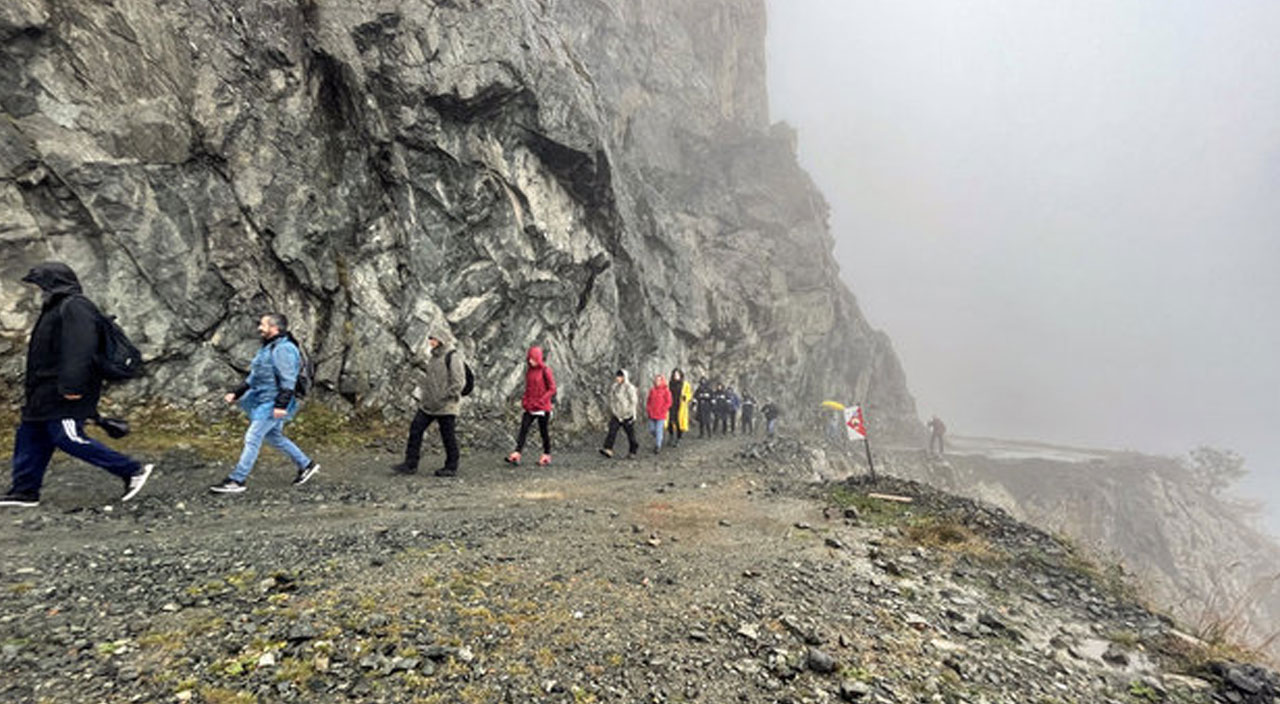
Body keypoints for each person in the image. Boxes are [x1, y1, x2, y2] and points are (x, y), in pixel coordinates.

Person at [1, 262, 154, 507]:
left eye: (40, 284)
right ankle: (24, 491)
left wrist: (73, 386)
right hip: (44, 390)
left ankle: (131, 470)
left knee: (67, 437)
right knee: (31, 433)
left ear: (53, 283)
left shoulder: (75, 306)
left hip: (65, 390)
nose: (37, 289)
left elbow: (80, 349)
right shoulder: (57, 306)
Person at [210, 313, 319, 493]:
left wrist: (281, 405)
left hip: (273, 402)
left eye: (263, 325)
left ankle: (237, 480)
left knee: (253, 437)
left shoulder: (284, 349)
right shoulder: (268, 348)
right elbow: (255, 376)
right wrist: (236, 393)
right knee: (274, 436)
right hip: (264, 400)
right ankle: (306, 464)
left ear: (274, 328)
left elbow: (288, 380)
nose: (260, 328)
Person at [393, 331, 466, 477]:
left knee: (448, 435)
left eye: (433, 338)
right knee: (416, 429)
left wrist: (444, 397)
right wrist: (428, 398)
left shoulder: (453, 356)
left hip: (446, 405)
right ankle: (410, 464)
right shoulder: (433, 357)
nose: (430, 341)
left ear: (441, 340)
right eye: (430, 338)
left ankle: (451, 466)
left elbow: (459, 382)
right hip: (429, 404)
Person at [506, 345, 556, 466]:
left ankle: (546, 454)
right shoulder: (529, 371)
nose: (531, 361)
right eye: (529, 358)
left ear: (538, 358)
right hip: (530, 406)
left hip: (542, 407)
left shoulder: (545, 370)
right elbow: (528, 388)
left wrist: (542, 400)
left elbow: (552, 388)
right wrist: (525, 400)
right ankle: (517, 453)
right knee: (523, 429)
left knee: (543, 431)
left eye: (533, 359)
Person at [599, 369, 638, 459]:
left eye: (620, 376)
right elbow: (612, 399)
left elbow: (633, 402)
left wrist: (631, 413)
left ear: (624, 377)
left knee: (630, 434)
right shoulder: (614, 387)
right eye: (617, 376)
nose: (618, 378)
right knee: (612, 431)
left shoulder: (629, 388)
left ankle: (633, 450)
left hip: (627, 415)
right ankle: (608, 449)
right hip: (617, 413)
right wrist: (614, 410)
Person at [646, 374, 673, 454]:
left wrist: (664, 409)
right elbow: (649, 401)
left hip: (661, 414)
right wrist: (648, 409)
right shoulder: (652, 390)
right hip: (652, 413)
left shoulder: (666, 391)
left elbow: (669, 402)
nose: (657, 382)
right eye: (656, 380)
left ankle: (658, 446)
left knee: (658, 430)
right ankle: (659, 438)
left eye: (659, 380)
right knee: (652, 430)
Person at [666, 368, 692, 447]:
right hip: (671, 405)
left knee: (679, 422)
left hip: (680, 406)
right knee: (670, 421)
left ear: (680, 375)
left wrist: (686, 397)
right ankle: (671, 436)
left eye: (677, 374)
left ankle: (678, 438)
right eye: (674, 374)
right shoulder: (670, 384)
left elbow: (689, 394)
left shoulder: (685, 384)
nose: (675, 376)